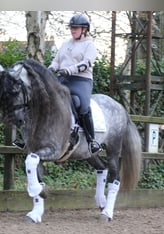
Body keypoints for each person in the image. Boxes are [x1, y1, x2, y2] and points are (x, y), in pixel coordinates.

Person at [48, 13, 102, 154]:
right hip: (63, 78)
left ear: (84, 29)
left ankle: (91, 140)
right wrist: (51, 68)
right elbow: (56, 60)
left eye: (76, 28)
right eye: (72, 28)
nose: (73, 30)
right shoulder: (66, 44)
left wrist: (70, 70)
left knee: (82, 105)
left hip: (81, 80)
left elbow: (87, 63)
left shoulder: (89, 45)